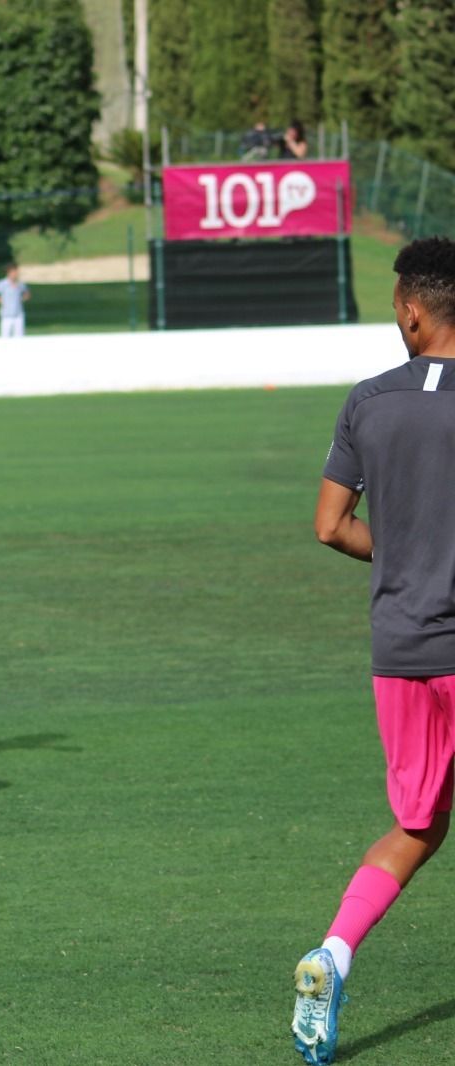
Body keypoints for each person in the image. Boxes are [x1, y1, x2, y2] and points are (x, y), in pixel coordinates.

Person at [290, 238, 455, 1066]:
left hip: (401, 650)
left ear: (412, 311)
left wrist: (399, 553)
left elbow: (328, 525)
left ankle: (334, 954)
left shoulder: (368, 400)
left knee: (418, 825)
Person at [0, 265, 30, 338]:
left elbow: (27, 293)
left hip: (18, 315)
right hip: (6, 316)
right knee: (5, 338)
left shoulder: (20, 284)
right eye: (14, 272)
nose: (16, 274)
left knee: (19, 338)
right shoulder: (2, 284)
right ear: (9, 273)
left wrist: (22, 300)